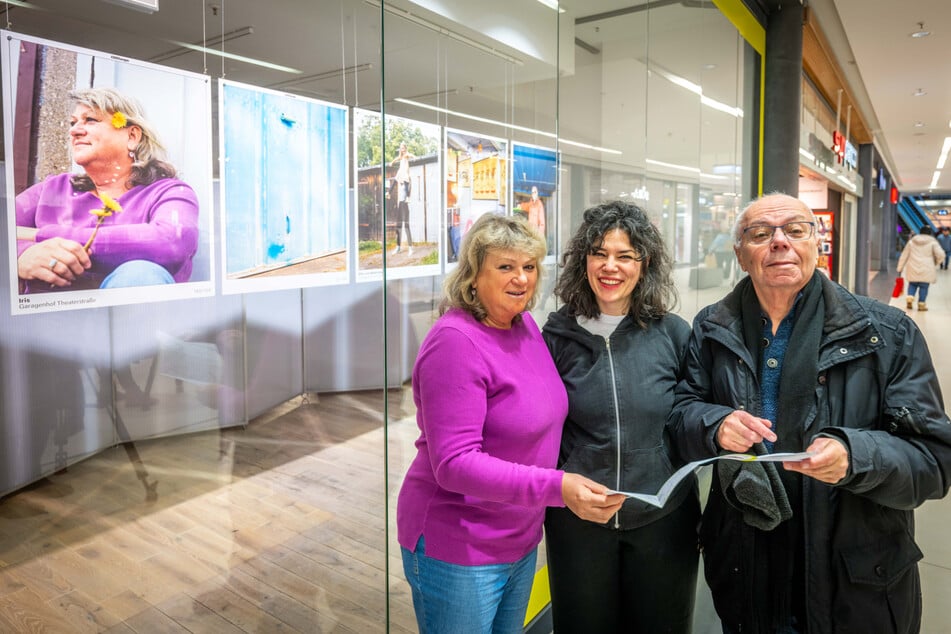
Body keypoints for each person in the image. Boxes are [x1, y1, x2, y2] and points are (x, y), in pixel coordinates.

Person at [667, 192, 951, 634]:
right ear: (741, 255)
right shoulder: (711, 327)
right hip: (747, 562)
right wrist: (715, 424)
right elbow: (682, 413)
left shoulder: (886, 333)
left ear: (816, 245)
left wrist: (854, 455)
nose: (779, 241)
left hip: (854, 577)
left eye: (795, 230)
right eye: (760, 234)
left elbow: (933, 462)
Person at [397, 213, 624, 634]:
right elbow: (456, 464)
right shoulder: (455, 342)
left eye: (529, 266)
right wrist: (557, 486)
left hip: (518, 537)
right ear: (473, 274)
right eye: (505, 266)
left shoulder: (524, 326)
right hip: (459, 546)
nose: (521, 279)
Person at [542, 201, 699, 634]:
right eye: (599, 253)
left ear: (643, 263)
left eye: (625, 255)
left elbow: (693, 415)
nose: (610, 266)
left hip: (663, 520)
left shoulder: (673, 334)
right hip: (578, 523)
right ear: (584, 261)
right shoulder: (554, 337)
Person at [15, 87, 199, 294]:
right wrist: (20, 255)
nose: (74, 131)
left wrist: (42, 236)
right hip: (41, 320)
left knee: (140, 273)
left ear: (132, 136)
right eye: (73, 122)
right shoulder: (52, 188)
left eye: (90, 120)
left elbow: (172, 241)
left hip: (126, 321)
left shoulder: (170, 193)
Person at [897, 224, 943, 311]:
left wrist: (899, 268)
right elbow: (941, 255)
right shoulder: (933, 243)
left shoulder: (911, 242)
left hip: (913, 266)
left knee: (912, 284)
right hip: (927, 268)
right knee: (924, 286)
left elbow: (904, 255)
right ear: (929, 234)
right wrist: (935, 262)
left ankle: (910, 297)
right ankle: (921, 304)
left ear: (920, 232)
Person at [390, 141, 414, 255]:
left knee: (406, 226)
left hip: (405, 204)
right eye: (401, 148)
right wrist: (392, 162)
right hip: (401, 204)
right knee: (398, 226)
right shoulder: (399, 174)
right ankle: (398, 247)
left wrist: (414, 156)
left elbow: (409, 155)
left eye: (403, 148)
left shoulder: (407, 178)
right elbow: (396, 158)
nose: (402, 149)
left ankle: (410, 248)